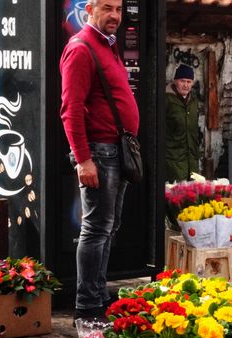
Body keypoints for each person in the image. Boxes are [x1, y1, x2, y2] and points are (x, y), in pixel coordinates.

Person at [60, 0, 139, 321]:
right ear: (89, 8)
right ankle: (88, 305)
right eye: (107, 8)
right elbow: (71, 110)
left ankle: (97, 293)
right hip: (99, 152)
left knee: (108, 227)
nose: (115, 16)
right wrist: (83, 160)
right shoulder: (81, 49)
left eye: (119, 9)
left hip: (116, 149)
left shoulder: (108, 46)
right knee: (95, 230)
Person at [165, 64, 201, 182]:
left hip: (192, 159)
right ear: (175, 81)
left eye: (189, 81)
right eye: (182, 81)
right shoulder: (166, 99)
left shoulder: (194, 100)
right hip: (173, 160)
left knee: (193, 195)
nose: (186, 85)